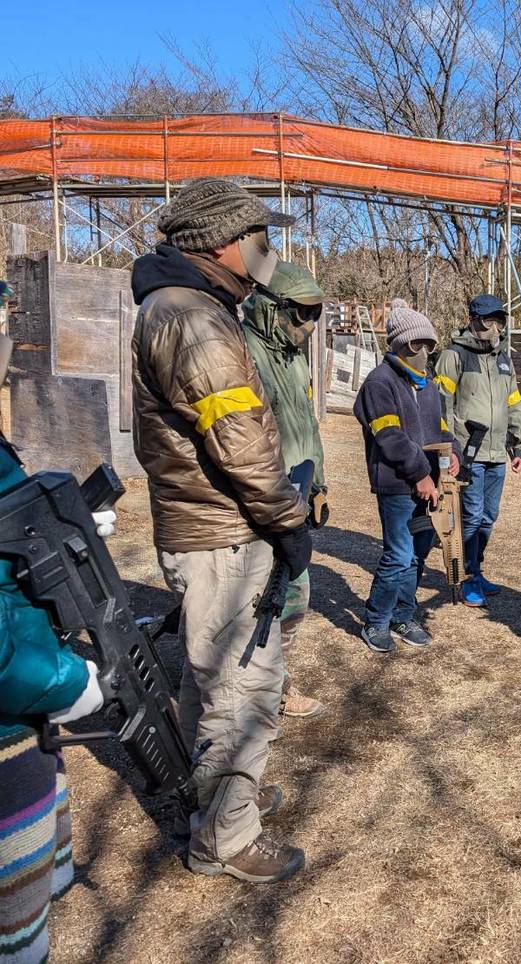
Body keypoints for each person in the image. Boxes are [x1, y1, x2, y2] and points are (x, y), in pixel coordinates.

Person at [132, 177, 311, 884]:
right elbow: (239, 441)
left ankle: (212, 796)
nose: (268, 253)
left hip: (213, 527)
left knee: (211, 680)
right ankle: (225, 838)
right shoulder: (192, 317)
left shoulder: (189, 306)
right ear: (221, 243)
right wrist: (287, 520)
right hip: (222, 531)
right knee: (244, 689)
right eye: (258, 239)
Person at [0, 402, 113, 960]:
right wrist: (64, 682)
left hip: (23, 704)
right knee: (16, 932)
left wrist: (63, 532)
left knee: (32, 886)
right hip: (11, 712)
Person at [242, 261, 328, 720]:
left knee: (292, 595)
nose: (309, 325)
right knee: (269, 597)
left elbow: (306, 427)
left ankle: (273, 682)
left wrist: (319, 485)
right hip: (261, 501)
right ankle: (263, 689)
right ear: (271, 307)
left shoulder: (294, 360)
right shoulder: (244, 351)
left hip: (295, 496)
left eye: (315, 314)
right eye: (301, 313)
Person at [355, 299, 459, 653]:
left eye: (429, 344)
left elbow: (440, 428)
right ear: (399, 344)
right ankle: (376, 621)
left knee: (417, 555)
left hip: (429, 486)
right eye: (417, 344)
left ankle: (403, 616)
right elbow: (390, 438)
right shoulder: (379, 383)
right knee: (398, 556)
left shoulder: (427, 385)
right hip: (398, 485)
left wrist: (453, 453)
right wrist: (419, 474)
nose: (424, 352)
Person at [434, 293, 521, 608]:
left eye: (499, 321)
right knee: (472, 516)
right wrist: (449, 450)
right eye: (489, 320)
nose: (495, 327)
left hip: (496, 455)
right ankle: (465, 577)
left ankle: (476, 568)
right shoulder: (454, 356)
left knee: (489, 516)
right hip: (468, 454)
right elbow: (441, 405)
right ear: (473, 320)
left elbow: (514, 403)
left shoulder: (503, 359)